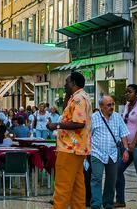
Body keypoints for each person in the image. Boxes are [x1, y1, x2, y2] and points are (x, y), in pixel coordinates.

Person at [47, 71, 92, 209]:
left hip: (70, 148)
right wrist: (68, 93)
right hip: (78, 148)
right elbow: (68, 111)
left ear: (73, 83)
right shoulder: (80, 96)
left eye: (67, 82)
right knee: (78, 187)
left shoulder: (78, 99)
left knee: (62, 186)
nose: (64, 84)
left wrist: (56, 125)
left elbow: (79, 123)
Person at [90, 95, 129, 209]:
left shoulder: (117, 117)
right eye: (108, 105)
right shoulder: (94, 117)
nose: (112, 107)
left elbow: (123, 135)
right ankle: (96, 204)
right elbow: (88, 136)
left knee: (111, 181)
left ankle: (108, 204)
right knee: (96, 178)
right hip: (97, 153)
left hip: (113, 154)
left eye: (112, 104)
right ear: (101, 106)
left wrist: (125, 150)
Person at [115, 84, 137, 208]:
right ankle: (120, 200)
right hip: (127, 146)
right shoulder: (127, 106)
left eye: (130, 92)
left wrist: (133, 143)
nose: (127, 94)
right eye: (126, 92)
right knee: (118, 169)